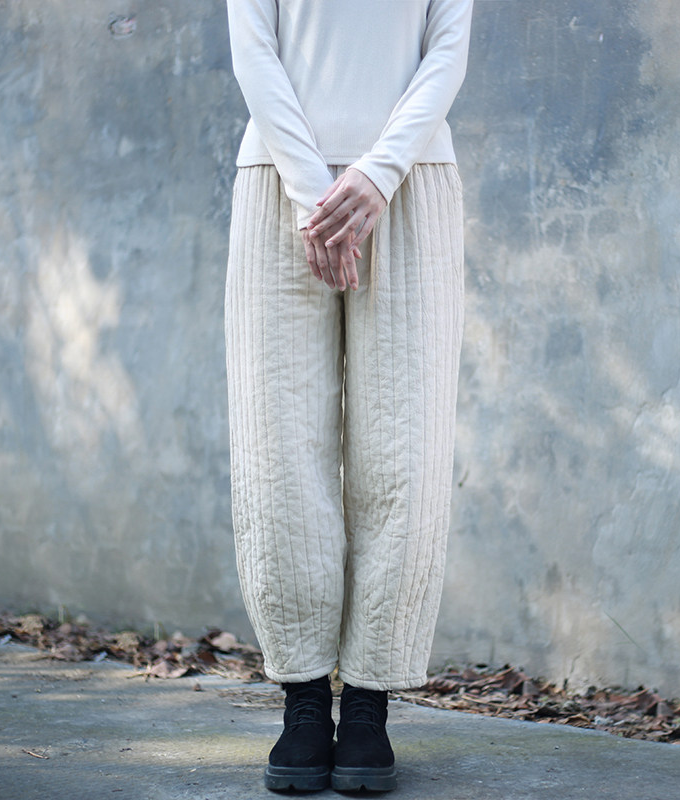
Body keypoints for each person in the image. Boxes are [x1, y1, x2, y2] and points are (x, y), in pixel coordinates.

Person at [224, 0, 473, 792]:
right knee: (277, 447)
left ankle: (368, 705)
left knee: (406, 453)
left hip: (411, 185)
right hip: (277, 184)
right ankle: (303, 701)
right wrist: (313, 191)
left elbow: (447, 49)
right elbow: (253, 48)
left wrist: (377, 173)